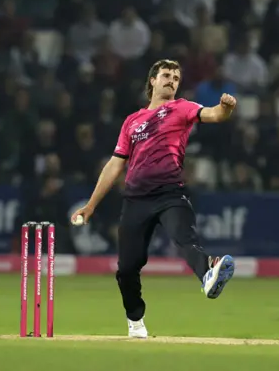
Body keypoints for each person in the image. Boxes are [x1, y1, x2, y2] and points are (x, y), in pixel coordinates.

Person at [71, 59, 237, 338]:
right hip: (135, 199)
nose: (172, 80)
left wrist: (226, 108)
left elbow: (213, 115)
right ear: (152, 81)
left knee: (185, 238)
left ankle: (209, 270)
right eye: (166, 75)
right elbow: (115, 164)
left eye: (176, 76)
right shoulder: (132, 121)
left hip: (170, 192)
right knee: (126, 269)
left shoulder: (182, 107)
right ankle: (135, 321)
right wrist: (91, 205)